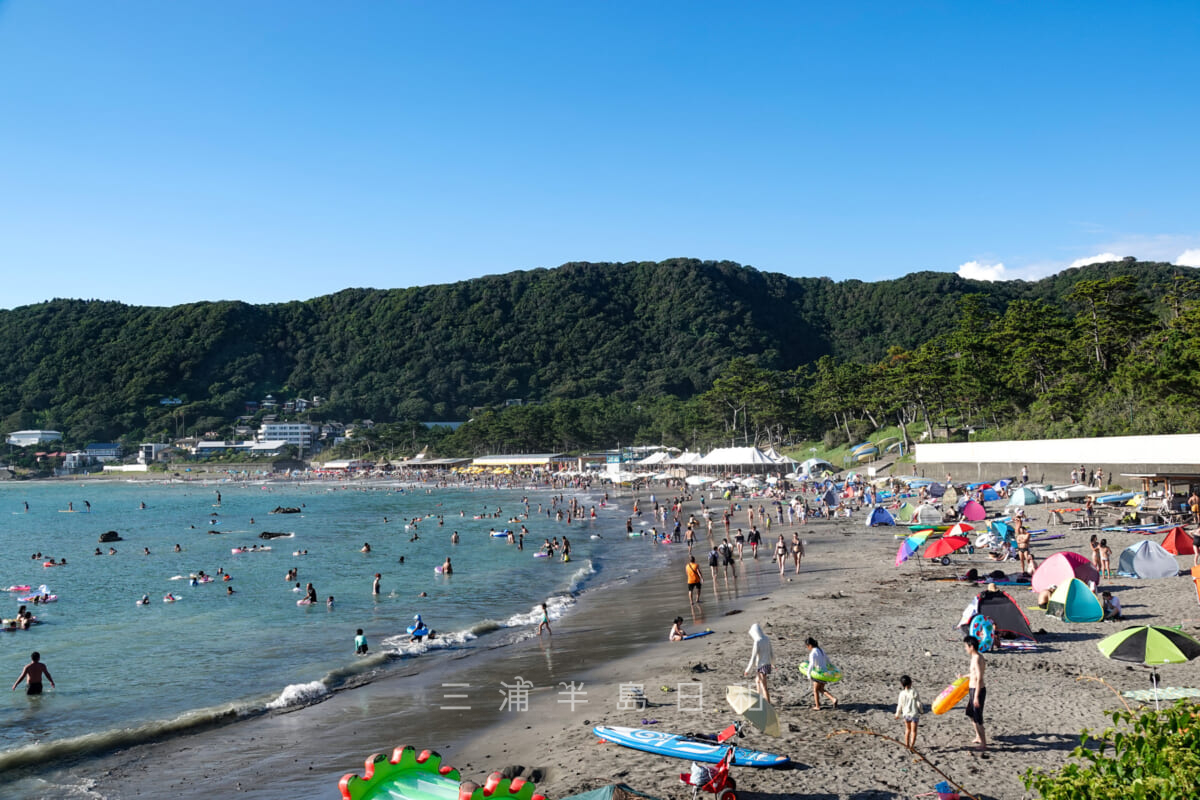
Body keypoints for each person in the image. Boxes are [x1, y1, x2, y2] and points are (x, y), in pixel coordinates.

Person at [964, 635, 987, 749]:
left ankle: (984, 744)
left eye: (966, 646)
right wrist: (963, 676)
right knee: (970, 713)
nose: (965, 649)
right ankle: (978, 736)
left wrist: (976, 697)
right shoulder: (976, 657)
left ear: (971, 646)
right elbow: (973, 674)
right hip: (973, 689)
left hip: (977, 690)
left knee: (978, 717)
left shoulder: (977, 658)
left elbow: (979, 678)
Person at [743, 623, 774, 704]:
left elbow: (753, 657)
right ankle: (759, 699)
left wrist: (747, 670)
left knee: (764, 686)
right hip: (767, 664)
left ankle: (768, 703)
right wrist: (773, 663)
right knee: (757, 681)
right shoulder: (767, 638)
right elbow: (771, 652)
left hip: (761, 666)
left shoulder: (757, 641)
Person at [805, 637, 838, 710]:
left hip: (818, 673)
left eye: (807, 646)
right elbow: (827, 659)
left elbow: (811, 664)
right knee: (821, 689)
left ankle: (817, 706)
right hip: (825, 673)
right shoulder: (821, 650)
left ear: (809, 645)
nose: (808, 648)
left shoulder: (813, 653)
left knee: (815, 690)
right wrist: (832, 667)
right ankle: (833, 699)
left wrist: (808, 674)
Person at [894, 675, 922, 751]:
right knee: (914, 731)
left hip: (906, 714)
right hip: (914, 714)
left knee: (907, 730)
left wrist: (897, 714)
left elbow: (900, 705)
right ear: (910, 683)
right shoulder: (915, 692)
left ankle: (906, 745)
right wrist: (921, 711)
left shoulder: (902, 693)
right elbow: (918, 704)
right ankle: (911, 746)